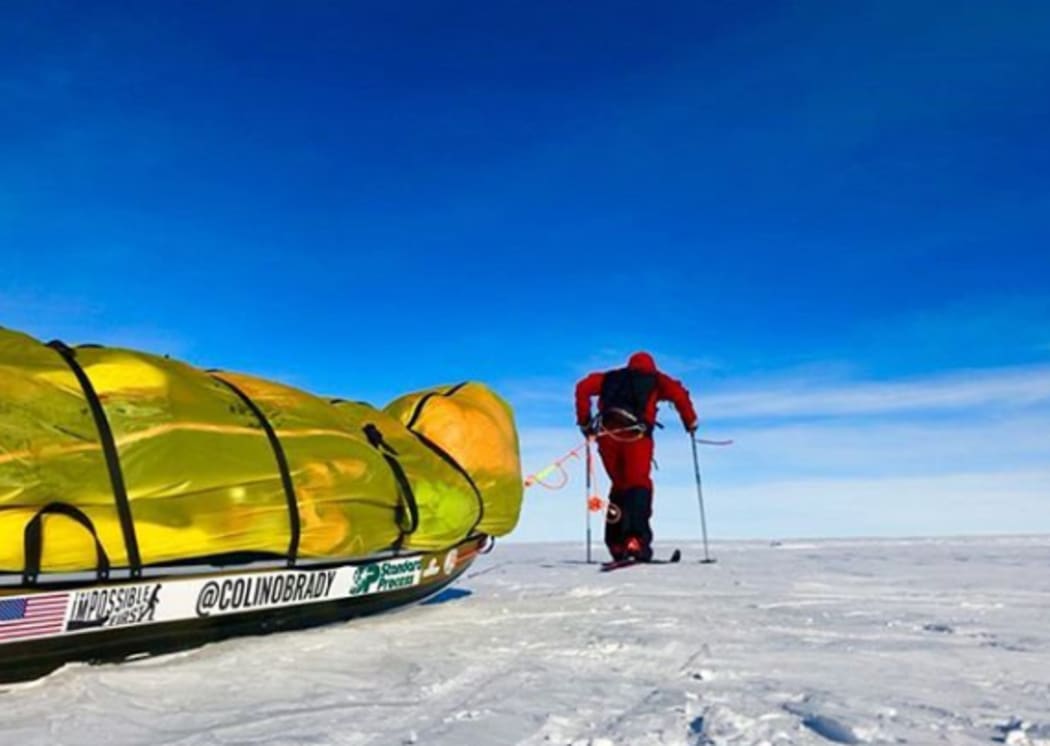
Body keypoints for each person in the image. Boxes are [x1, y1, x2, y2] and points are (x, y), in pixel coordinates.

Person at [575, 352, 698, 562]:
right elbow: (679, 394)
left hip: (607, 437)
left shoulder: (609, 378)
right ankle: (635, 541)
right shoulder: (656, 379)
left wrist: (585, 422)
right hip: (636, 438)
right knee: (638, 484)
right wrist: (690, 421)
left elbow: (582, 387)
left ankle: (615, 544)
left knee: (619, 487)